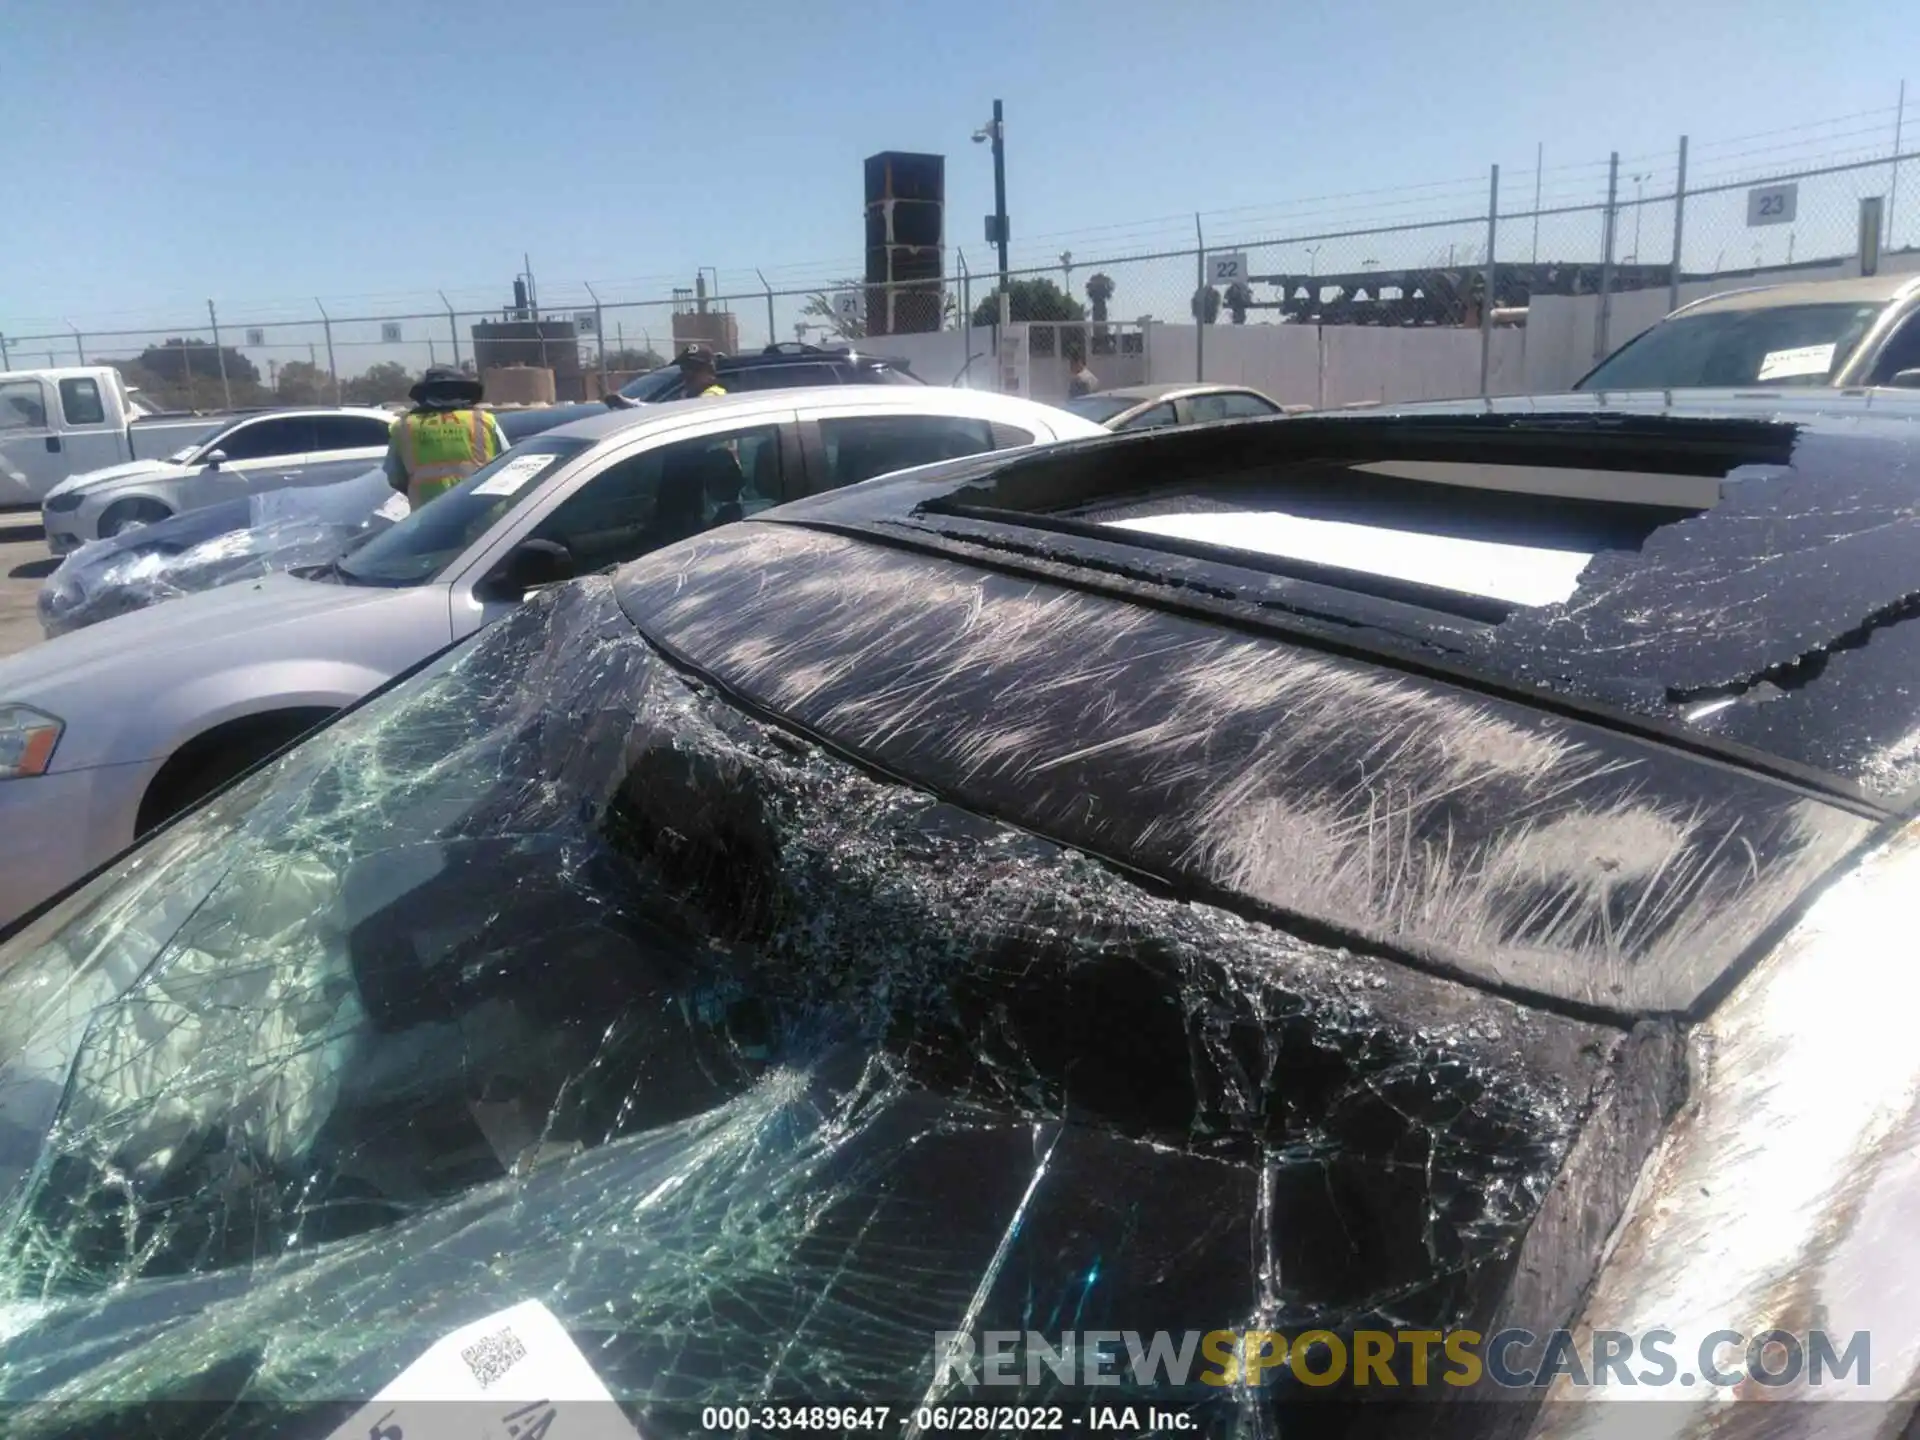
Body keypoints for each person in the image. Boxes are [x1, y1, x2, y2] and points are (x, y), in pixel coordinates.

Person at [383, 366, 509, 508]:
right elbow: (509, 466)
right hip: (485, 518)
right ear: (464, 392)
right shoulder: (484, 421)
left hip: (431, 520)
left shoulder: (405, 426)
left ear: (425, 395)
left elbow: (395, 478)